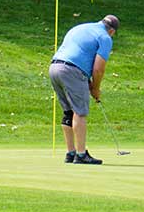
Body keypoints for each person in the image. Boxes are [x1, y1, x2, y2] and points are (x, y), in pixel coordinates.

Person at [49, 14, 119, 165]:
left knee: (68, 111)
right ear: (112, 31)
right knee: (80, 112)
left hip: (54, 67)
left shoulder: (81, 27)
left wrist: (88, 82)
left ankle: (71, 152)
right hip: (72, 70)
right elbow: (98, 69)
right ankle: (81, 155)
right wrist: (96, 88)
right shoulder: (105, 37)